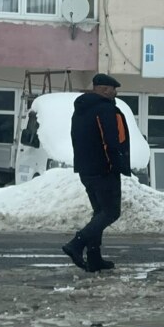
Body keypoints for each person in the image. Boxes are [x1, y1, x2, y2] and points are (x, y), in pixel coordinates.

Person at [62, 73, 131, 271]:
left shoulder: (81, 110)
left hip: (86, 169)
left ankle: (94, 257)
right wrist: (115, 165)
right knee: (111, 212)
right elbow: (110, 141)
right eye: (113, 89)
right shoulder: (105, 109)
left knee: (100, 212)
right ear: (104, 89)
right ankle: (76, 244)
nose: (115, 93)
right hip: (104, 169)